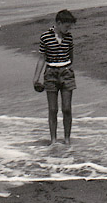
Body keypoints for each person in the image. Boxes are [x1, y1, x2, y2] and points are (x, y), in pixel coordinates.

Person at [32, 9, 77, 146]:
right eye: (66, 26)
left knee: (67, 108)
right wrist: (36, 78)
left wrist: (66, 68)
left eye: (70, 27)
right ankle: (53, 140)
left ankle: (67, 140)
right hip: (50, 73)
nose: (68, 29)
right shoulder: (45, 37)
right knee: (52, 109)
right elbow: (41, 59)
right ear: (58, 23)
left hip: (66, 73)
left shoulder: (69, 37)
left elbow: (71, 55)